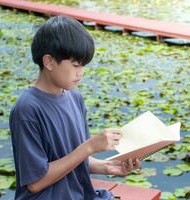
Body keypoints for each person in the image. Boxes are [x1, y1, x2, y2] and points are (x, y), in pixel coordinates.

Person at [9, 15, 140, 200]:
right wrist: (90, 146)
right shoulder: (26, 109)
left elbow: (76, 159)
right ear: (48, 62)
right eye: (76, 65)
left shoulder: (75, 98)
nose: (81, 73)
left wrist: (107, 167)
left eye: (84, 66)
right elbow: (36, 182)